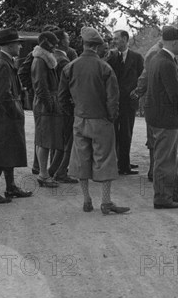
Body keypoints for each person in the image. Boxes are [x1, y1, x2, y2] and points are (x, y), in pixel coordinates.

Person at [58, 27, 129, 214]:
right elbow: (113, 99)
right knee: (105, 160)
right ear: (98, 48)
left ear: (84, 45)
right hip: (101, 121)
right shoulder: (105, 68)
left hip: (80, 120)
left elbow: (62, 97)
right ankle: (106, 202)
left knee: (82, 160)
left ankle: (86, 200)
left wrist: (73, 112)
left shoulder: (70, 67)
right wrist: (111, 117)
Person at [0, 28, 33, 203]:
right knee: (0, 152)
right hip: (4, 113)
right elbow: (4, 94)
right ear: (9, 45)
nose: (20, 47)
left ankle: (10, 187)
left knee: (6, 150)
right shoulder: (3, 64)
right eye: (17, 43)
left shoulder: (1, 60)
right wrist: (16, 113)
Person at [144, 26, 178, 209]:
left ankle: (175, 192)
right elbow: (175, 94)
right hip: (166, 117)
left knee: (168, 157)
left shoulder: (157, 59)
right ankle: (162, 198)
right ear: (173, 43)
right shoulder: (167, 63)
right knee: (165, 159)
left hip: (157, 115)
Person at [107, 30, 144, 175]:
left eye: (116, 38)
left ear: (124, 39)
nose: (114, 41)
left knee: (127, 133)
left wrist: (137, 93)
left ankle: (124, 163)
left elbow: (142, 77)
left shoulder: (136, 57)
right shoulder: (111, 56)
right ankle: (118, 162)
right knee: (113, 133)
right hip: (114, 101)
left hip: (129, 102)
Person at [31, 31, 63, 188]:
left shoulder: (43, 59)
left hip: (45, 103)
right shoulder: (40, 61)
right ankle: (43, 175)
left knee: (43, 139)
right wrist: (50, 105)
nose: (55, 46)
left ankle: (43, 172)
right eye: (53, 42)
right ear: (44, 42)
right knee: (45, 140)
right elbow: (40, 86)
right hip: (45, 104)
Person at [47, 30, 79, 184]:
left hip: (57, 103)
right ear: (60, 41)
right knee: (68, 140)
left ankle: (54, 168)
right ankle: (60, 171)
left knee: (61, 140)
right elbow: (69, 86)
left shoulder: (54, 57)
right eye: (67, 38)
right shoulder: (63, 61)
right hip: (65, 106)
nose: (69, 41)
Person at [133, 38, 163, 182]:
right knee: (154, 137)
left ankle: (155, 170)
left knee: (155, 137)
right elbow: (145, 75)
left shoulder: (158, 50)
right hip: (154, 100)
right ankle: (153, 170)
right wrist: (138, 91)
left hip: (155, 99)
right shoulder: (155, 52)